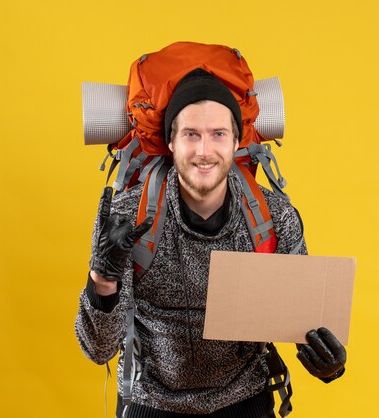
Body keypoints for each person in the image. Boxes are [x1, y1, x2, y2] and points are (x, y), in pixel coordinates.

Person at [75, 68, 347, 418]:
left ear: (236, 142)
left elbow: (299, 322)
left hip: (245, 402)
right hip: (151, 404)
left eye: (218, 134)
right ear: (171, 143)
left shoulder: (272, 217)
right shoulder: (127, 217)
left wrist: (328, 364)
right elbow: (98, 350)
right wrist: (103, 278)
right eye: (191, 134)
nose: (204, 151)